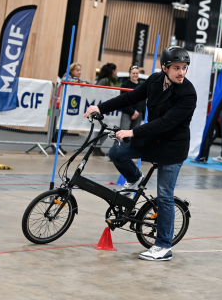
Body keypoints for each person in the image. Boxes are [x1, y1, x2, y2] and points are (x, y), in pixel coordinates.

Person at [84, 46, 197, 261]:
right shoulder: (154, 81)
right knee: (117, 153)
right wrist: (99, 108)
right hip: (151, 139)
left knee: (164, 195)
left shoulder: (188, 93)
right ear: (165, 68)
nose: (181, 72)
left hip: (172, 147)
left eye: (184, 68)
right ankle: (134, 180)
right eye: (176, 68)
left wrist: (132, 132)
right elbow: (128, 99)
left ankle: (163, 246)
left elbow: (165, 123)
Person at [93, 63, 121, 156]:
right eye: (116, 70)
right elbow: (96, 92)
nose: (117, 72)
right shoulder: (103, 81)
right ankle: (95, 147)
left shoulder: (117, 82)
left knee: (107, 129)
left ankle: (98, 146)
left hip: (113, 111)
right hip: (104, 108)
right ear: (113, 71)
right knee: (99, 129)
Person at [119, 65, 146, 130]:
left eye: (137, 73)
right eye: (133, 73)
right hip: (127, 111)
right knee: (123, 131)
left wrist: (137, 111)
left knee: (135, 133)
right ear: (130, 74)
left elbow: (143, 100)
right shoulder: (125, 85)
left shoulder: (141, 86)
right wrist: (132, 112)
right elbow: (123, 100)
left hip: (138, 113)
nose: (135, 75)